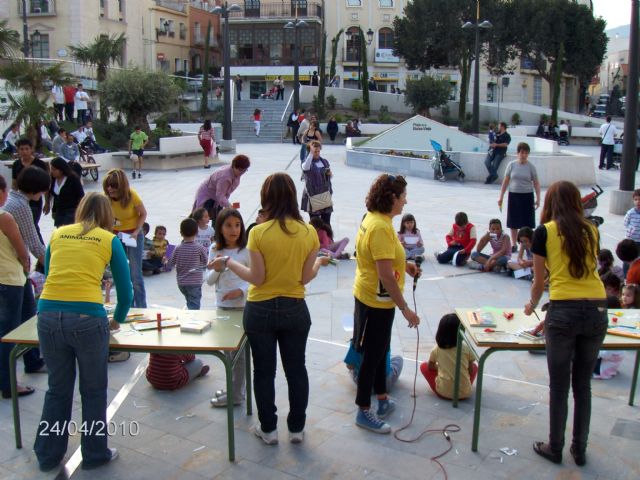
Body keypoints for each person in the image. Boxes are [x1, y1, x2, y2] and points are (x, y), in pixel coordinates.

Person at [208, 173, 330, 445]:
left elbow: (257, 278)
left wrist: (228, 263)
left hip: (260, 309)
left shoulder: (259, 232)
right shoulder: (309, 232)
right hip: (295, 309)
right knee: (296, 369)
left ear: (267, 198)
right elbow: (303, 277)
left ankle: (269, 429)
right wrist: (319, 264)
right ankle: (297, 429)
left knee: (264, 372)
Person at [34, 192, 133, 472]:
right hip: (88, 319)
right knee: (93, 390)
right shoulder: (109, 239)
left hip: (48, 315)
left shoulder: (58, 234)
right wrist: (116, 321)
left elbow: (52, 272)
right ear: (105, 216)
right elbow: (126, 293)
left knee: (57, 389)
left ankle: (47, 454)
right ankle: (94, 453)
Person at [525, 180, 607, 467]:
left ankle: (555, 446)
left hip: (563, 312)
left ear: (550, 202)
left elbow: (538, 283)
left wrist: (531, 306)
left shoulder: (544, 231)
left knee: (559, 387)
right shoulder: (592, 229)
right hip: (597, 308)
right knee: (583, 386)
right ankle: (579, 449)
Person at [352, 174, 421, 434]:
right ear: (392, 198)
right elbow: (383, 273)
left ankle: (381, 400)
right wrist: (406, 309)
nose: (406, 201)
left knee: (380, 350)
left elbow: (384, 258)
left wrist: (406, 265)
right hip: (377, 301)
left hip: (371, 296)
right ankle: (363, 410)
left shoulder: (376, 219)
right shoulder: (381, 226)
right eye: (403, 196)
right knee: (373, 355)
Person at [205, 208, 250, 407]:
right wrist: (216, 269)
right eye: (229, 225)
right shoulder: (215, 248)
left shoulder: (246, 250)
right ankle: (234, 388)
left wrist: (240, 291)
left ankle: (237, 395)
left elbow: (257, 278)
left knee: (238, 355)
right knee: (228, 353)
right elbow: (209, 280)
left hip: (242, 308)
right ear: (219, 228)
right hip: (222, 307)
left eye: (238, 225)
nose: (234, 230)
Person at [0, 174, 34, 399]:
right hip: (9, 279)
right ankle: (9, 383)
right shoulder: (4, 217)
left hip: (8, 279)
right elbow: (22, 249)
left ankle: (32, 361)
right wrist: (26, 263)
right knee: (9, 333)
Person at [103, 169, 148, 308]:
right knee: (121, 272)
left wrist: (136, 231)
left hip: (133, 234)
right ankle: (126, 305)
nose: (110, 189)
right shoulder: (105, 198)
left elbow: (143, 213)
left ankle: (141, 306)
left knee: (135, 274)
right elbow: (104, 218)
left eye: (113, 186)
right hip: (116, 234)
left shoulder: (132, 195)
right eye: (108, 186)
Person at [420, 313, 478, 400]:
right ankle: (463, 386)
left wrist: (443, 368)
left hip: (442, 392)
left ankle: (446, 384)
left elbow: (430, 367)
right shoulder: (466, 348)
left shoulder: (437, 349)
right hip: (465, 394)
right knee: (474, 367)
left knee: (423, 366)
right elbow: (470, 371)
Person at [498, 142, 541, 249]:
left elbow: (536, 183)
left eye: (526, 153)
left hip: (527, 196)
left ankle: (527, 244)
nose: (524, 155)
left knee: (527, 222)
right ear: (518, 153)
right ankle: (514, 244)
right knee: (514, 221)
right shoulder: (511, 165)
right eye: (522, 152)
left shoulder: (531, 167)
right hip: (514, 195)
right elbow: (506, 181)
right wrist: (501, 197)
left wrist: (538, 198)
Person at [193, 154, 250, 226]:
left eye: (245, 170)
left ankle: (215, 234)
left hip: (217, 196)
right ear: (234, 166)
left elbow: (225, 194)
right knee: (201, 218)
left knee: (218, 218)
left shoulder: (235, 174)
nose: (242, 172)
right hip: (207, 195)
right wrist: (229, 206)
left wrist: (227, 205)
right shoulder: (225, 177)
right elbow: (220, 196)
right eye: (240, 170)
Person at [12, 138, 50, 242]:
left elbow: (46, 185)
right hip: (21, 200)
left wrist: (47, 202)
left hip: (35, 201)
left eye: (26, 149)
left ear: (31, 149)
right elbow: (14, 184)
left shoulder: (39, 164)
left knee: (33, 225)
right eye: (21, 149)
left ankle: (41, 251)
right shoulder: (16, 164)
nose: (24, 151)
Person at [169, 218, 208, 310]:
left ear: (181, 233)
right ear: (197, 232)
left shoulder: (178, 248)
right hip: (195, 283)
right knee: (194, 307)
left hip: (182, 283)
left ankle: (188, 312)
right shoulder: (200, 248)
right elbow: (206, 262)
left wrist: (165, 261)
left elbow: (170, 264)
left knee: (190, 301)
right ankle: (192, 320)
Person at [44, 157, 85, 227]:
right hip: (58, 211)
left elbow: (81, 195)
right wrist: (47, 203)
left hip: (71, 211)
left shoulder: (73, 179)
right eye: (51, 169)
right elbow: (47, 190)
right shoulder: (52, 179)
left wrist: (82, 211)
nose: (52, 171)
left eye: (54, 169)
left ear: (61, 169)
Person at [301, 141, 333, 226]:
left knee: (327, 222)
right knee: (315, 224)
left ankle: (328, 239)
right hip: (313, 196)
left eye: (318, 151)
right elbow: (306, 167)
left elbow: (328, 178)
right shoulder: (306, 163)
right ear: (310, 152)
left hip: (324, 194)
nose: (317, 153)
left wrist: (330, 174)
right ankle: (315, 239)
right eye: (315, 151)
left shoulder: (324, 161)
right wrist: (311, 153)